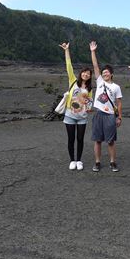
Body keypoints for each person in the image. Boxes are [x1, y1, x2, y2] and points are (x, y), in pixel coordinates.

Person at [58, 42, 94, 171]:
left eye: (88, 73)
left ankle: (79, 160)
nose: (86, 74)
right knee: (71, 139)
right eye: (84, 72)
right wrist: (66, 50)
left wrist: (89, 106)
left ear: (90, 76)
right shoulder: (73, 80)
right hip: (70, 115)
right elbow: (69, 65)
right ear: (81, 74)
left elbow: (90, 101)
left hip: (82, 116)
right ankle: (72, 160)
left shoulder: (89, 88)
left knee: (80, 139)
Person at [90, 41, 123, 173]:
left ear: (111, 74)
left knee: (110, 141)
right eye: (103, 72)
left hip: (110, 115)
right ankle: (97, 162)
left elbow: (119, 103)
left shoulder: (116, 87)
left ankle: (112, 162)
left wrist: (119, 117)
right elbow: (95, 66)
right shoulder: (99, 82)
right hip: (98, 114)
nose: (105, 74)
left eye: (107, 72)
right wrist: (93, 51)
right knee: (97, 140)